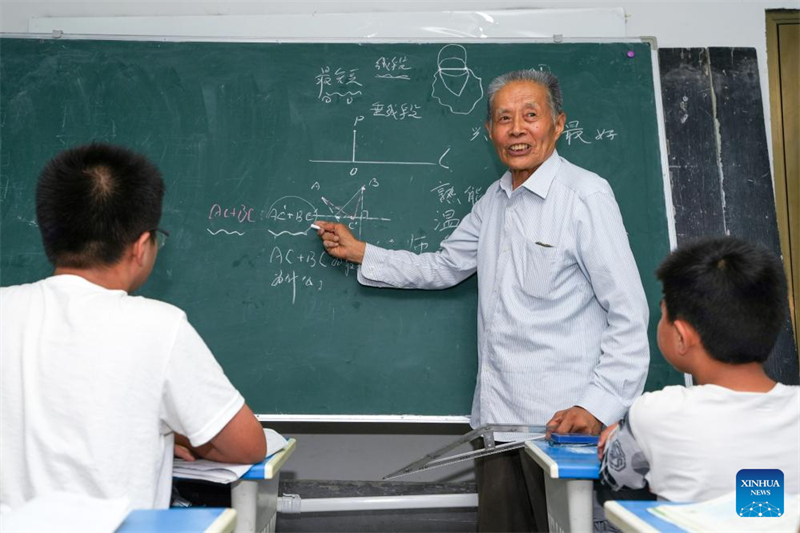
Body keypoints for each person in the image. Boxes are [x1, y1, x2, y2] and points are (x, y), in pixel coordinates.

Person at [315, 69, 650, 531]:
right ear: (490, 130)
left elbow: (629, 313)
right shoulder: (493, 201)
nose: (516, 129)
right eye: (503, 118)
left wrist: (596, 407)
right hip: (496, 425)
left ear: (558, 124)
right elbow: (442, 266)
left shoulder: (584, 197)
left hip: (565, 431)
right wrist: (361, 252)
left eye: (530, 116)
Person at [0, 143, 266, 510]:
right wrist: (180, 434)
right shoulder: (159, 327)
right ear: (141, 246)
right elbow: (247, 445)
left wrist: (145, 432)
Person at [598, 237, 800, 502]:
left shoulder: (656, 413)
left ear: (682, 337)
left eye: (664, 313)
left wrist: (620, 433)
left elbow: (616, 475)